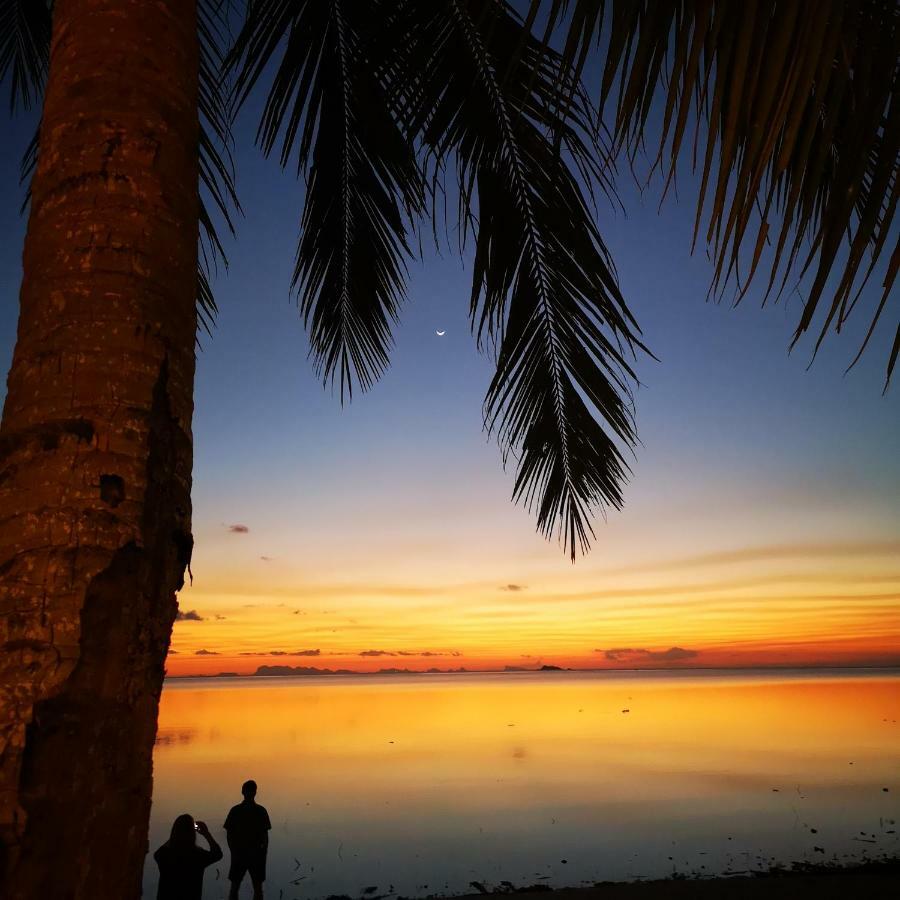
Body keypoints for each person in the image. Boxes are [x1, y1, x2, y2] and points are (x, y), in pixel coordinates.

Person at [154, 814, 223, 900]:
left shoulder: (164, 854)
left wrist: (176, 834)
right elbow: (218, 854)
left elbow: (157, 853)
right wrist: (206, 834)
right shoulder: (198, 856)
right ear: (192, 833)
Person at [224, 779, 272, 900]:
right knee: (257, 888)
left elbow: (229, 835)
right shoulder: (261, 811)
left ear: (242, 792)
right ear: (255, 792)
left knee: (234, 887)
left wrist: (233, 851)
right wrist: (263, 853)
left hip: (240, 854)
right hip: (255, 855)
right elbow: (265, 837)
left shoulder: (235, 811)